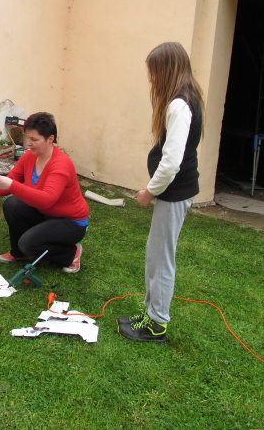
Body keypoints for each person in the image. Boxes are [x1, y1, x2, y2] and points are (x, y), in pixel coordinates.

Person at [118, 42, 204, 344]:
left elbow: (171, 163)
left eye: (154, 72)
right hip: (175, 191)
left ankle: (156, 324)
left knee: (161, 258)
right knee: (155, 255)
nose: (152, 79)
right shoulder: (186, 99)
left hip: (174, 192)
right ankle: (150, 313)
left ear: (166, 70)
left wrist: (149, 192)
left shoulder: (179, 105)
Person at [0, 112, 89, 273]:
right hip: (46, 214)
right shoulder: (29, 156)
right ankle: (19, 253)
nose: (29, 143)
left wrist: (12, 186)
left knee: (28, 244)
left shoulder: (61, 164)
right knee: (12, 204)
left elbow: (47, 200)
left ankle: (71, 253)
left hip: (70, 222)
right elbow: (11, 180)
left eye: (34, 139)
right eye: (28, 138)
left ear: (50, 139)